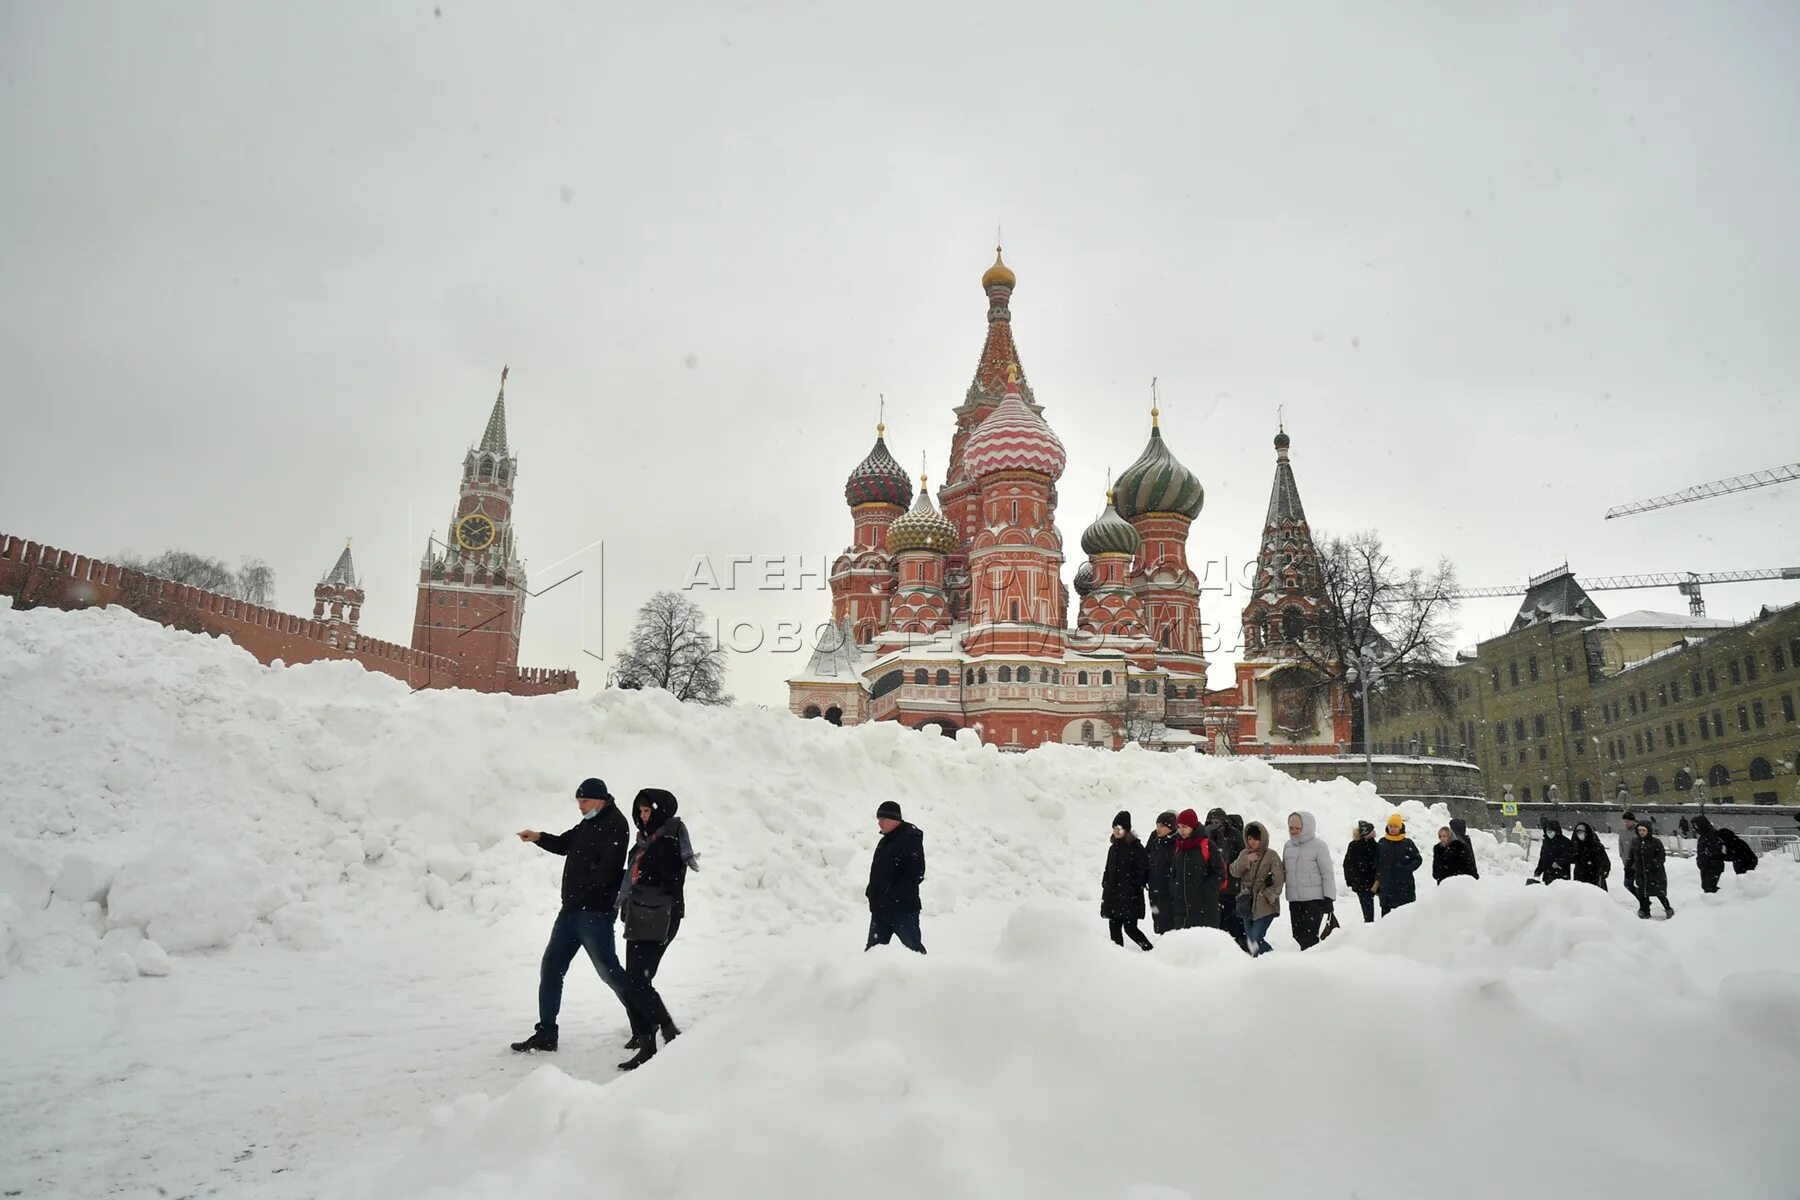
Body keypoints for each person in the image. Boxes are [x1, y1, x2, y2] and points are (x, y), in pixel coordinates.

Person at [511, 777, 631, 1053]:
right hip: (571, 912)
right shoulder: (590, 821)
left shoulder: (616, 824)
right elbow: (567, 843)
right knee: (551, 968)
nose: (580, 807)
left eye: (584, 801)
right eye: (578, 802)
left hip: (595, 914)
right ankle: (546, 1034)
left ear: (600, 799)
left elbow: (608, 871)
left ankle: (644, 1019)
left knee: (609, 972)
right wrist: (539, 837)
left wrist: (585, 889)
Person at [616, 788, 689, 1071]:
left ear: (660, 811)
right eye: (641, 811)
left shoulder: (669, 838)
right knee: (632, 981)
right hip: (639, 914)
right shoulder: (646, 840)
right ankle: (647, 1047)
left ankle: (669, 1030)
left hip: (661, 916)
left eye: (648, 811)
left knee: (638, 981)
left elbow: (671, 879)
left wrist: (642, 872)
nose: (643, 816)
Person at [865, 800, 927, 953]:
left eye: (882, 819)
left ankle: (924, 976)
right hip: (881, 911)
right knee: (872, 954)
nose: (879, 823)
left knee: (914, 952)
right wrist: (872, 893)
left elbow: (915, 874)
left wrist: (893, 897)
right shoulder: (885, 841)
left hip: (903, 910)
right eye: (878, 820)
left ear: (894, 819)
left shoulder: (910, 838)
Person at [1228, 820, 1286, 956]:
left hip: (1265, 905)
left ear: (1263, 838)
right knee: (1250, 940)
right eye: (1250, 838)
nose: (1252, 842)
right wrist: (1245, 861)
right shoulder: (1244, 854)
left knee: (1255, 938)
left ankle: (1273, 958)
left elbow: (1279, 880)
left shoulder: (1271, 856)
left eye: (1256, 838)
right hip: (1247, 904)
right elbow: (1233, 871)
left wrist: (1266, 896)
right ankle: (1259, 964)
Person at [1281, 811, 1336, 949]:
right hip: (1294, 900)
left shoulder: (1319, 846)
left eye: (1297, 828)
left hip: (1314, 901)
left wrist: (1329, 898)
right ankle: (1304, 964)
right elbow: (1284, 870)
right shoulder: (1288, 846)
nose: (1293, 831)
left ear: (1307, 827)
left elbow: (1327, 874)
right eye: (1291, 828)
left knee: (1310, 937)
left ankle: (1313, 966)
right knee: (1298, 936)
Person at [1101, 811, 1153, 950]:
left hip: (1130, 897)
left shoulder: (1136, 848)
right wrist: (1105, 883)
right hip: (1113, 895)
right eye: (1114, 828)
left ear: (1126, 829)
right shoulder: (1113, 848)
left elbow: (1143, 870)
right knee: (1114, 927)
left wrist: (1133, 886)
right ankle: (1118, 955)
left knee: (1130, 928)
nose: (1116, 831)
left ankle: (1149, 949)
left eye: (1120, 828)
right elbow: (1108, 869)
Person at [1168, 808, 1223, 930]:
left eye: (1185, 827)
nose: (1181, 830)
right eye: (1179, 826)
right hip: (1182, 910)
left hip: (1205, 909)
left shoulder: (1207, 845)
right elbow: (1174, 873)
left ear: (1193, 826)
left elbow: (1219, 873)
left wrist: (1205, 890)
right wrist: (1175, 888)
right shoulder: (1179, 847)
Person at [1206, 808, 1246, 947]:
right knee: (1219, 922)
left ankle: (1242, 946)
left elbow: (1243, 854)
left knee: (1234, 920)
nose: (1214, 824)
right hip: (1214, 886)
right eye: (1212, 822)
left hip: (1232, 885)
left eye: (1217, 821)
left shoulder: (1233, 834)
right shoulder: (1207, 835)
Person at [1375, 814, 1423, 915]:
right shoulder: (1382, 842)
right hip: (1386, 887)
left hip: (1404, 886)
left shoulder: (1407, 843)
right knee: (1386, 919)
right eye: (1390, 826)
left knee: (1405, 916)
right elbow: (1377, 862)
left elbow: (1417, 859)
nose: (1392, 829)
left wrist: (1406, 869)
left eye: (1395, 826)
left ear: (1400, 827)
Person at [1628, 821, 1674, 920]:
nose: (1641, 832)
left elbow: (1662, 857)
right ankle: (1645, 911)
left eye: (1643, 830)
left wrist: (1654, 864)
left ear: (1648, 831)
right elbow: (1631, 856)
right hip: (1640, 872)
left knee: (1659, 892)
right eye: (1639, 830)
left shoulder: (1656, 842)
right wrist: (1628, 868)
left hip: (1655, 873)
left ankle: (1668, 908)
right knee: (1642, 893)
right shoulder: (1635, 842)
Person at [1145, 811, 1179, 933]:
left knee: (1169, 923)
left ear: (1171, 827)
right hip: (1154, 888)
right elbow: (1147, 858)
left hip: (1168, 890)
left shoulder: (1176, 842)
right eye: (1157, 825)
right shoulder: (1155, 840)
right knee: (1158, 921)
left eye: (1162, 826)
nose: (1158, 829)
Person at [1343, 821, 1380, 923]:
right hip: (1361, 883)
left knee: (1372, 906)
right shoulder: (1354, 846)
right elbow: (1347, 864)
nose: (1374, 832)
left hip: (1373, 882)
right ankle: (1368, 926)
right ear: (1366, 833)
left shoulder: (1375, 845)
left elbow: (1378, 863)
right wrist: (1351, 880)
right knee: (1367, 908)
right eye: (1372, 830)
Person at [1568, 821, 1611, 890]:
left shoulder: (1596, 846)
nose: (1580, 834)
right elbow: (1571, 858)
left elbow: (1605, 862)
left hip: (1594, 878)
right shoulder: (1575, 846)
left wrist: (1602, 874)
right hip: (1579, 878)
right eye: (1578, 832)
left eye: (1582, 832)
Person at [1530, 817, 1572, 885]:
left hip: (1561, 875)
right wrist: (1538, 870)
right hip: (1547, 875)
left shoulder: (1565, 842)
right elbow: (1543, 857)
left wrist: (1558, 862)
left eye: (1551, 831)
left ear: (1556, 831)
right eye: (1547, 831)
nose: (1549, 833)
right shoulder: (1546, 842)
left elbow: (1569, 855)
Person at [1693, 815, 1726, 894]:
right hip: (1707, 866)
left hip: (1712, 866)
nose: (1695, 828)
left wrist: (1704, 860)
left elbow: (1712, 851)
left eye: (1696, 826)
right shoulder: (1706, 835)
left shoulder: (1711, 835)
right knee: (1706, 887)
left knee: (1709, 887)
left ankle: (1720, 900)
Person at [1619, 810, 1640, 904]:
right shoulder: (1622, 831)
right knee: (1627, 884)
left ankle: (1644, 903)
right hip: (1628, 864)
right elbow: (1620, 844)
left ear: (1633, 821)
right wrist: (1622, 855)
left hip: (1639, 863)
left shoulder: (1639, 830)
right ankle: (1642, 899)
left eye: (1627, 821)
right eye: (1624, 821)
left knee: (1642, 885)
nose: (1625, 823)